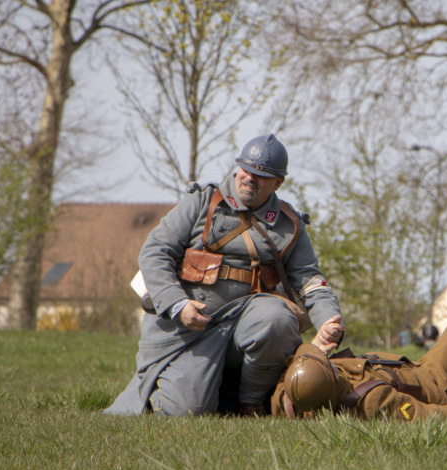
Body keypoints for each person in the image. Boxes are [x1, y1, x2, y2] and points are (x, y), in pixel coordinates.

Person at [105, 134, 343, 417]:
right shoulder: (202, 203)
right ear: (237, 167)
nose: (250, 178)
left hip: (247, 325)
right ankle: (169, 388)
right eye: (246, 169)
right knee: (187, 412)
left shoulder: (288, 224)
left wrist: (328, 319)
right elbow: (155, 252)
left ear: (278, 183)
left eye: (262, 175)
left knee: (278, 318)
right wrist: (178, 305)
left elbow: (311, 280)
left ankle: (250, 403)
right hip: (188, 329)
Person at [271, 313, 447, 424]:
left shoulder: (290, 394)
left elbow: (300, 363)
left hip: (409, 366)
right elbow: (425, 417)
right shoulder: (369, 401)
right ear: (330, 376)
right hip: (428, 383)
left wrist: (316, 345)